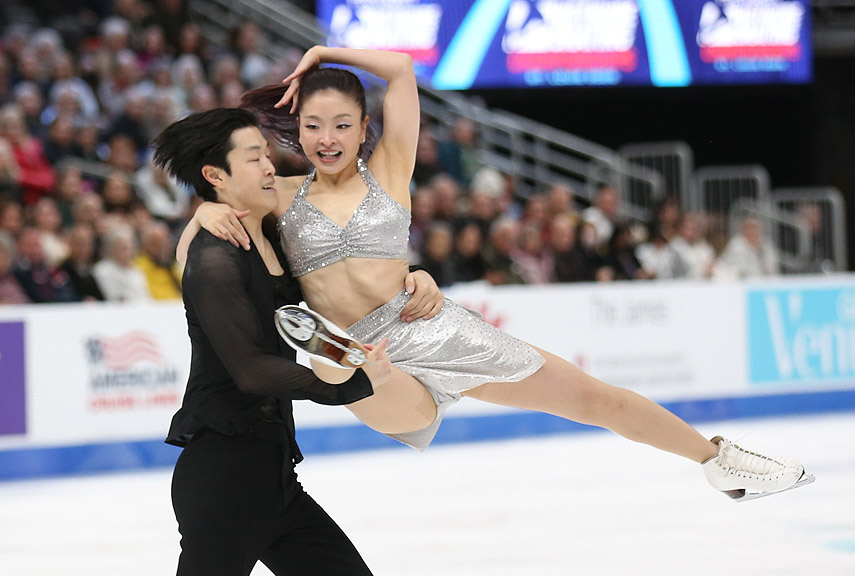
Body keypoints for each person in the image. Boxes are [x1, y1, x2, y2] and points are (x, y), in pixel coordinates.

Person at [180, 46, 810, 500]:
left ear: (364, 128)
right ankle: (338, 354)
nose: (327, 137)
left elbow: (399, 69)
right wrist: (205, 213)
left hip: (431, 326)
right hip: (358, 353)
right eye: (313, 126)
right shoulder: (282, 196)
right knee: (359, 367)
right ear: (297, 130)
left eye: (343, 124)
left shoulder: (391, 169)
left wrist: (325, 52)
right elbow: (202, 225)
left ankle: (718, 459)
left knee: (591, 397)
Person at [79, 107, 424, 576]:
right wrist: (346, 385)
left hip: (269, 472)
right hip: (221, 472)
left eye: (270, 153)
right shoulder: (212, 250)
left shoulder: (265, 225)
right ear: (216, 177)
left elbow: (318, 163)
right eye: (254, 158)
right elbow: (251, 369)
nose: (273, 165)